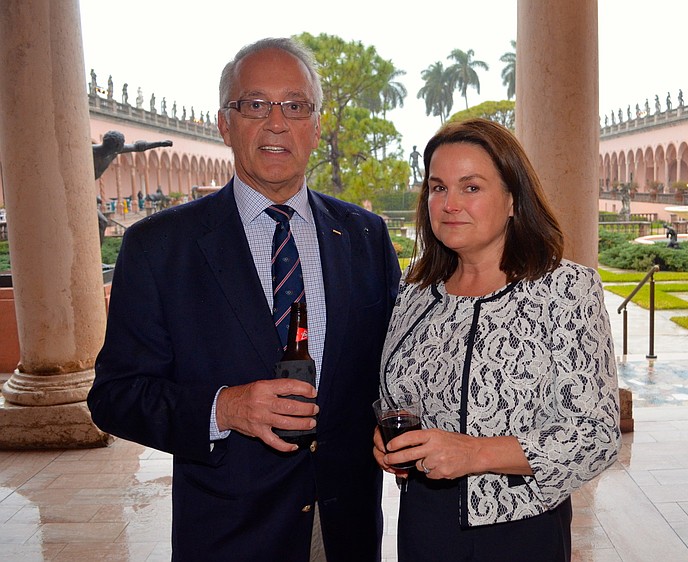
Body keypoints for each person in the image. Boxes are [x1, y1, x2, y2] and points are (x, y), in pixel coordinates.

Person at [88, 37, 401, 561]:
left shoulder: (366, 237)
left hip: (345, 526)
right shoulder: (160, 247)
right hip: (229, 533)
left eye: (296, 106)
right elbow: (114, 397)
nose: (277, 122)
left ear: (316, 126)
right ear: (224, 124)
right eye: (255, 104)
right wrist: (224, 408)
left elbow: (395, 368)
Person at [373, 118, 621, 562]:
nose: (449, 204)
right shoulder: (414, 293)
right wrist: (387, 440)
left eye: (471, 188)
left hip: (520, 533)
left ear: (511, 199)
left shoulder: (564, 290)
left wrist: (474, 453)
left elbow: (596, 436)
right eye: (437, 187)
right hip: (423, 525)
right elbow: (398, 398)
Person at [91, 130, 173, 180]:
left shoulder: (113, 152)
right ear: (116, 146)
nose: (123, 146)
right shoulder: (91, 152)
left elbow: (138, 146)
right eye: (122, 145)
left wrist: (160, 143)